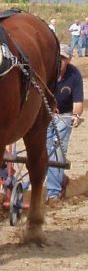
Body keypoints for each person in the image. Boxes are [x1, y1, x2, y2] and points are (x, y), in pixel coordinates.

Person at [46, 44, 84, 203]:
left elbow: (78, 102)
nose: (59, 60)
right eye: (58, 57)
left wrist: (75, 115)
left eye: (63, 58)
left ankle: (53, 193)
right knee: (44, 150)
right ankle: (60, 180)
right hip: (46, 114)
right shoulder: (47, 71)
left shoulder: (74, 75)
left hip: (65, 117)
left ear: (69, 60)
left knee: (56, 151)